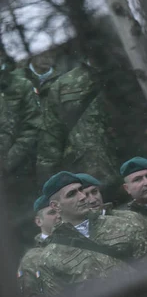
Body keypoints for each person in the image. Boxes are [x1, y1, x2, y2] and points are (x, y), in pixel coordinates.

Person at [20, 172, 147, 297]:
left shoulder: (124, 223)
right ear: (56, 206)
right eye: (72, 194)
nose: (83, 197)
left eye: (80, 190)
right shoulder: (50, 257)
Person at [36, 60, 121, 202]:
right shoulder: (63, 85)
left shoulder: (128, 67)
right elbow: (50, 142)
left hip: (134, 173)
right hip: (92, 185)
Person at [0, 51, 42, 246]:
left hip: (20, 175)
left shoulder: (18, 85)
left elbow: (33, 126)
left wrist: (8, 162)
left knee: (31, 230)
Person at [18, 196, 61, 297]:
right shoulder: (31, 259)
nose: (59, 216)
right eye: (52, 213)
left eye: (60, 211)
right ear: (38, 221)